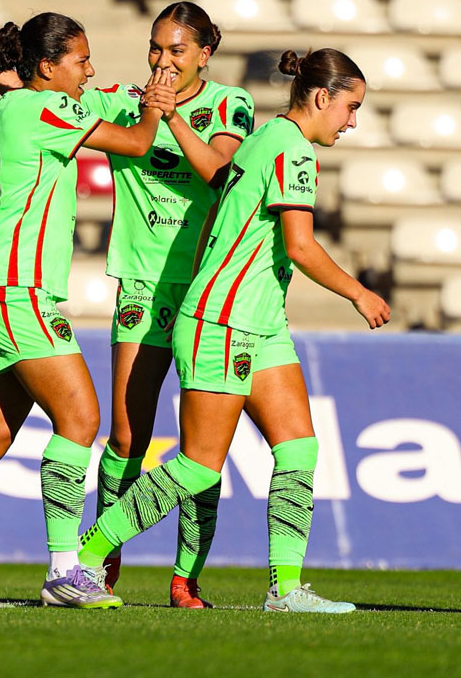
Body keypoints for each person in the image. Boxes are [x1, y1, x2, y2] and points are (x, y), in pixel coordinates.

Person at [0, 2, 254, 609]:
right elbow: (130, 140)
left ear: (204, 54)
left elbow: (21, 82)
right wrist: (156, 113)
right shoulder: (46, 108)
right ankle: (68, 568)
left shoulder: (20, 105)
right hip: (20, 288)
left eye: (175, 50)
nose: (92, 72)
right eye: (80, 61)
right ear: (48, 67)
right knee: (82, 420)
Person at [73, 48, 390, 613]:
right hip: (222, 321)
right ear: (322, 97)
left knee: (299, 450)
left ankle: (286, 590)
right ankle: (88, 554)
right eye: (350, 107)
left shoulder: (266, 139)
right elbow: (299, 245)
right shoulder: (292, 152)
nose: (352, 121)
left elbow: (219, 208)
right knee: (197, 466)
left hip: (261, 323)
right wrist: (358, 292)